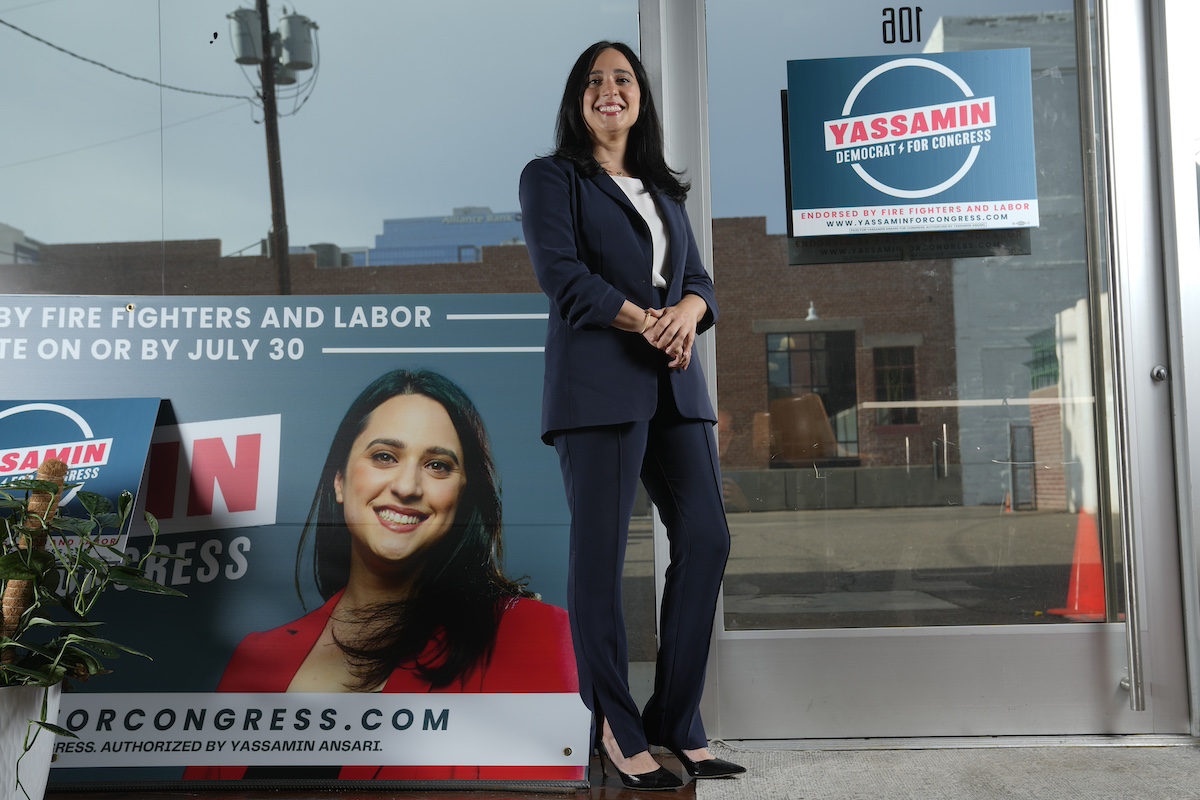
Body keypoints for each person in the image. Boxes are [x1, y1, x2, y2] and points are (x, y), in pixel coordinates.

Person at [519, 41, 745, 790]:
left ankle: (676, 720)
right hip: (599, 389)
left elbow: (703, 282)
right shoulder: (554, 179)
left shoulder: (662, 190)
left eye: (622, 79)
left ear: (641, 98)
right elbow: (565, 281)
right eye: (593, 80)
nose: (608, 90)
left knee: (708, 539)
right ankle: (617, 726)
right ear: (577, 100)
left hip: (677, 388)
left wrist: (686, 308)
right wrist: (647, 321)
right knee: (601, 562)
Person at [185, 369, 579, 782]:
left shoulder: (536, 633)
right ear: (339, 481)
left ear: (463, 497)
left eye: (438, 465)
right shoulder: (256, 655)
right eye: (384, 456)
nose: (407, 486)